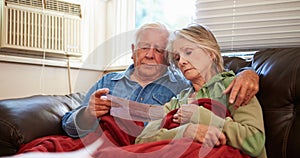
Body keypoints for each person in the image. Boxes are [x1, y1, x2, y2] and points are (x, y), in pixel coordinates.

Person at [62, 22, 259, 139]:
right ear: (132, 51)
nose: (149, 54)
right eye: (144, 47)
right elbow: (68, 125)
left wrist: (249, 71)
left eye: (158, 50)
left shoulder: (181, 86)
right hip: (97, 146)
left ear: (166, 57)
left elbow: (217, 77)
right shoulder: (107, 82)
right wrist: (88, 113)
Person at [135, 24, 268, 158]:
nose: (182, 62)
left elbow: (254, 142)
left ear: (210, 53)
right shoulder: (180, 99)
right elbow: (142, 139)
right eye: (177, 58)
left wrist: (200, 116)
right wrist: (185, 132)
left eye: (189, 52)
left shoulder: (233, 86)